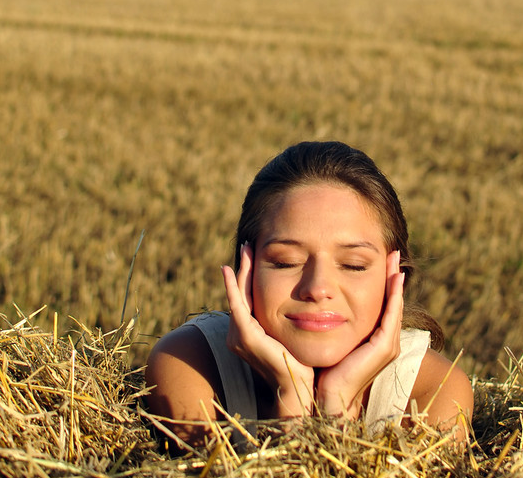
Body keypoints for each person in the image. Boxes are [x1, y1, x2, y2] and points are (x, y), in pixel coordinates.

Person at [146, 141, 472, 447]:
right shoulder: (190, 365)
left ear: (394, 277)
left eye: (353, 265)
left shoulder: (435, 392)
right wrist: (290, 396)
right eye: (286, 261)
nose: (317, 288)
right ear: (248, 267)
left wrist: (339, 401)